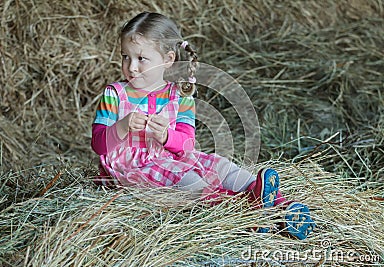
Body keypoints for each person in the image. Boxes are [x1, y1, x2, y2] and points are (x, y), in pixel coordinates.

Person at [91, 12, 315, 240]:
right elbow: (99, 145)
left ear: (168, 59)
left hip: (173, 156)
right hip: (133, 166)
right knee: (191, 183)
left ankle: (282, 206)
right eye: (125, 57)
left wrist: (166, 136)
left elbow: (187, 145)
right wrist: (122, 126)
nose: (132, 67)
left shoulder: (180, 96)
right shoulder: (115, 94)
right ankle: (248, 210)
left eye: (141, 58)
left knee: (223, 166)